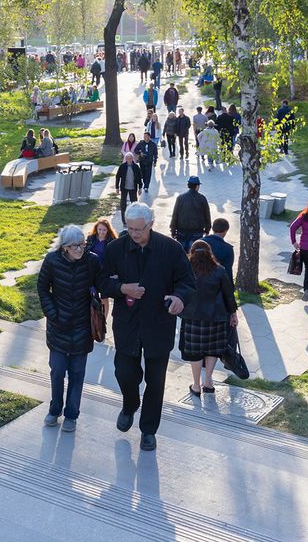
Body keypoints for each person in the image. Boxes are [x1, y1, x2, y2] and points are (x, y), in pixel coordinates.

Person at [99, 202, 195, 451]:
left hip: (159, 325)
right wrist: (122, 289)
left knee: (156, 381)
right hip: (127, 325)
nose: (134, 234)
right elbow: (100, 282)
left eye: (139, 229)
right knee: (124, 373)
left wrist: (179, 298)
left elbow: (187, 282)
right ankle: (130, 404)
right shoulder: (115, 249)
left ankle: (148, 430)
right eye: (130, 229)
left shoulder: (171, 249)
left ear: (151, 224)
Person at [37, 224, 105, 433]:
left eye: (82, 245)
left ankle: (71, 415)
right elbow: (42, 288)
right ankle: (55, 409)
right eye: (75, 246)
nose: (79, 250)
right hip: (58, 326)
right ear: (65, 247)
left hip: (83, 326)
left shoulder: (92, 261)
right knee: (57, 371)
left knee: (77, 373)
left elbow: (102, 284)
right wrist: (52, 313)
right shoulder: (52, 261)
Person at [180, 240, 238, 397]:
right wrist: (233, 313)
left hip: (192, 317)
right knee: (212, 350)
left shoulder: (186, 270)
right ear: (209, 252)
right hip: (216, 317)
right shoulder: (220, 270)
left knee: (195, 353)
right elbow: (229, 295)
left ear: (192, 252)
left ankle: (196, 385)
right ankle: (208, 382)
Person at [170, 175, 212, 251]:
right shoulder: (202, 198)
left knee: (182, 253)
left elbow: (175, 215)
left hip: (182, 231)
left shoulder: (181, 198)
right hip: (197, 231)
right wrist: (207, 229)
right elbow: (207, 215)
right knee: (194, 254)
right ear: (197, 186)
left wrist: (173, 230)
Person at [115, 152, 143, 224]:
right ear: (126, 159)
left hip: (133, 188)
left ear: (132, 158)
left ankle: (134, 219)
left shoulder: (136, 167)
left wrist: (140, 188)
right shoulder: (122, 166)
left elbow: (139, 178)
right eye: (127, 159)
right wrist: (117, 187)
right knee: (123, 204)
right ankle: (124, 221)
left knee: (134, 204)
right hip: (124, 187)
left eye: (130, 158)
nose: (129, 160)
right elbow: (118, 177)